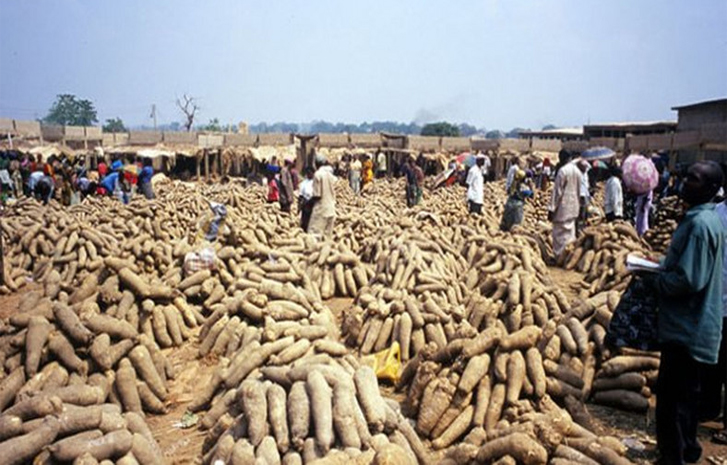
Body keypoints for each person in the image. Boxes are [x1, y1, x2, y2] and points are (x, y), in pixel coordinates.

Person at [642, 161, 724, 465]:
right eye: (687, 176)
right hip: (693, 323)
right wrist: (663, 262)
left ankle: (672, 457)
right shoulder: (705, 220)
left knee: (673, 399)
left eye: (694, 179)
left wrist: (656, 279)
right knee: (687, 397)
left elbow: (689, 280)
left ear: (712, 189)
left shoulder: (700, 225)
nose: (685, 182)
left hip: (688, 325)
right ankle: (689, 449)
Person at [548, 150, 582, 261]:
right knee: (570, 234)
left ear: (562, 158)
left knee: (559, 234)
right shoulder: (577, 171)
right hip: (573, 208)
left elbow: (557, 192)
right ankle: (568, 257)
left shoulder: (563, 171)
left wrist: (551, 208)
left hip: (562, 208)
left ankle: (559, 257)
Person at [308, 155, 337, 238]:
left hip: (321, 209)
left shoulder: (317, 174)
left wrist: (307, 203)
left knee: (314, 235)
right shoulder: (331, 175)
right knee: (328, 237)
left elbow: (317, 195)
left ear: (315, 164)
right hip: (331, 208)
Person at [298, 167, 315, 231]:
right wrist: (299, 207)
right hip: (305, 203)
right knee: (305, 220)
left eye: (310, 173)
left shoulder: (315, 182)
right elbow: (301, 196)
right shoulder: (304, 183)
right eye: (308, 173)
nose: (309, 174)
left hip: (313, 202)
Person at [577, 159, 591, 233]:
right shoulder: (578, 174)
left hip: (586, 194)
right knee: (580, 213)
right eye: (583, 166)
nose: (585, 167)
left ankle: (583, 226)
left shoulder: (586, 173)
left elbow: (589, 166)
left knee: (585, 212)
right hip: (580, 195)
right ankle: (579, 228)